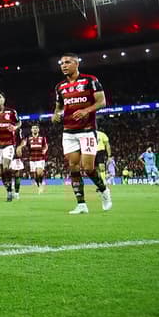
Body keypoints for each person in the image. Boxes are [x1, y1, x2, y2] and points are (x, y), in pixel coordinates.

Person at [53, 52, 112, 214]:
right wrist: (56, 114)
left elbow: (102, 102)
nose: (63, 65)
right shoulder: (59, 87)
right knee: (73, 168)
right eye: (61, 63)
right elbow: (59, 107)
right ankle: (81, 204)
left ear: (76, 64)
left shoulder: (90, 80)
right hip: (69, 132)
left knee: (88, 167)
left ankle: (104, 190)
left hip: (87, 131)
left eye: (67, 62)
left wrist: (86, 110)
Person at [18, 123, 48, 194]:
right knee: (35, 175)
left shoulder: (42, 138)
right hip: (32, 158)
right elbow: (24, 143)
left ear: (38, 129)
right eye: (33, 128)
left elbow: (46, 146)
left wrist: (45, 150)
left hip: (40, 157)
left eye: (36, 128)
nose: (35, 129)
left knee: (39, 172)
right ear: (31, 130)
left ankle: (41, 185)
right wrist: (21, 147)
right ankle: (39, 185)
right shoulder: (28, 138)